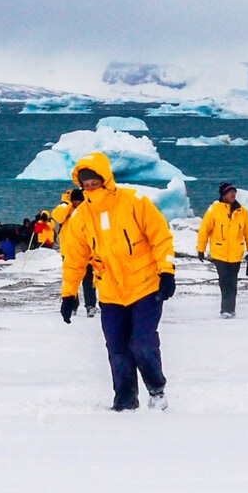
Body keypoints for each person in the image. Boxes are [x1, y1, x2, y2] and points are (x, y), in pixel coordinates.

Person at [59, 152, 176, 412]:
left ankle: (157, 390)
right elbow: (75, 260)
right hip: (110, 292)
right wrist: (69, 294)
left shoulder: (134, 202)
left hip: (145, 285)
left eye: (94, 182)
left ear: (106, 179)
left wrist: (167, 270)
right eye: (85, 184)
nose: (90, 188)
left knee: (142, 342)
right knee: (117, 347)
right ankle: (125, 399)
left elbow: (161, 237)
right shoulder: (81, 218)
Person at [196, 182, 248, 318]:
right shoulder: (214, 210)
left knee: (232, 281)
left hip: (236, 253)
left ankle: (231, 309)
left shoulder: (242, 212)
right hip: (219, 253)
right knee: (225, 281)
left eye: (234, 192)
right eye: (230, 192)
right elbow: (204, 231)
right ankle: (226, 309)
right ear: (223, 194)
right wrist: (200, 249)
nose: (233, 194)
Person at [53, 188, 98, 317]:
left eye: (80, 201)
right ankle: (72, 305)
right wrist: (68, 204)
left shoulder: (88, 209)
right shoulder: (65, 208)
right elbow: (57, 216)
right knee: (71, 280)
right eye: (75, 201)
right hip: (68, 251)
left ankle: (91, 306)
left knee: (89, 280)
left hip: (87, 251)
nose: (78, 203)